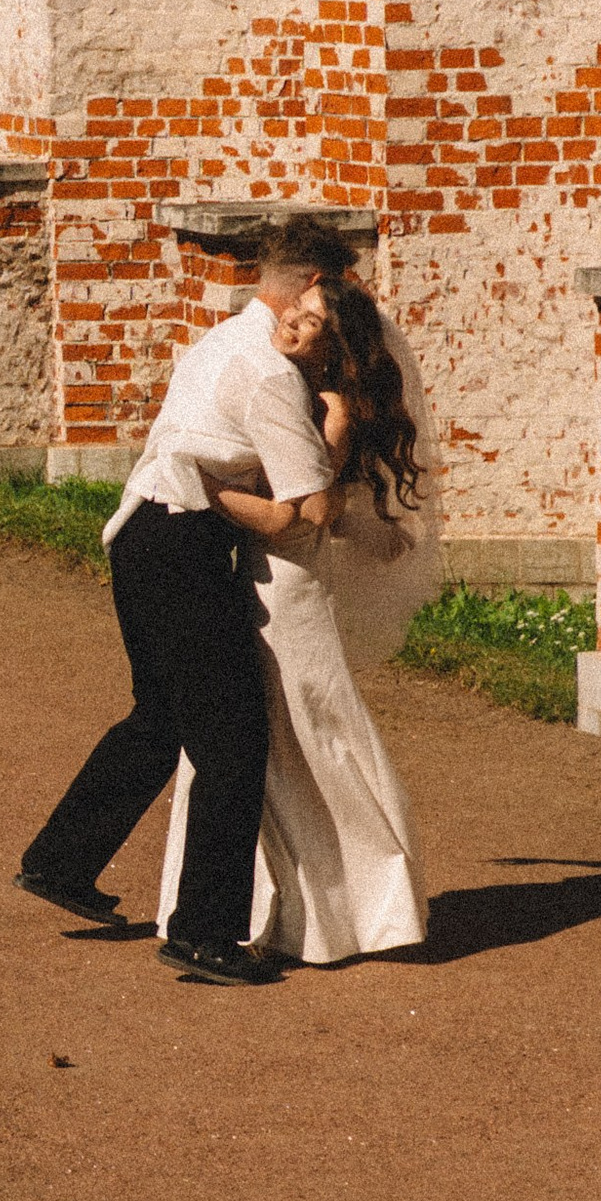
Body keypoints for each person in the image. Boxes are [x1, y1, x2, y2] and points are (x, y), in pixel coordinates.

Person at [16, 223, 345, 986]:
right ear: (308, 289)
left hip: (139, 535)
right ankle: (202, 934)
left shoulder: (222, 338)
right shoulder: (269, 373)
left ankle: (60, 862)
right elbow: (311, 503)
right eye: (339, 290)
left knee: (159, 714)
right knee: (232, 738)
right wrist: (332, 406)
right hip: (183, 546)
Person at [157, 269, 430, 966]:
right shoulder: (288, 387)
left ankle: (358, 907)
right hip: (257, 575)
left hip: (287, 586)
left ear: (330, 348)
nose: (292, 323)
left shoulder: (329, 406)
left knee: (308, 731)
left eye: (310, 322)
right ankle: (262, 908)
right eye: (297, 312)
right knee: (258, 741)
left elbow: (306, 511)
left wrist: (211, 489)